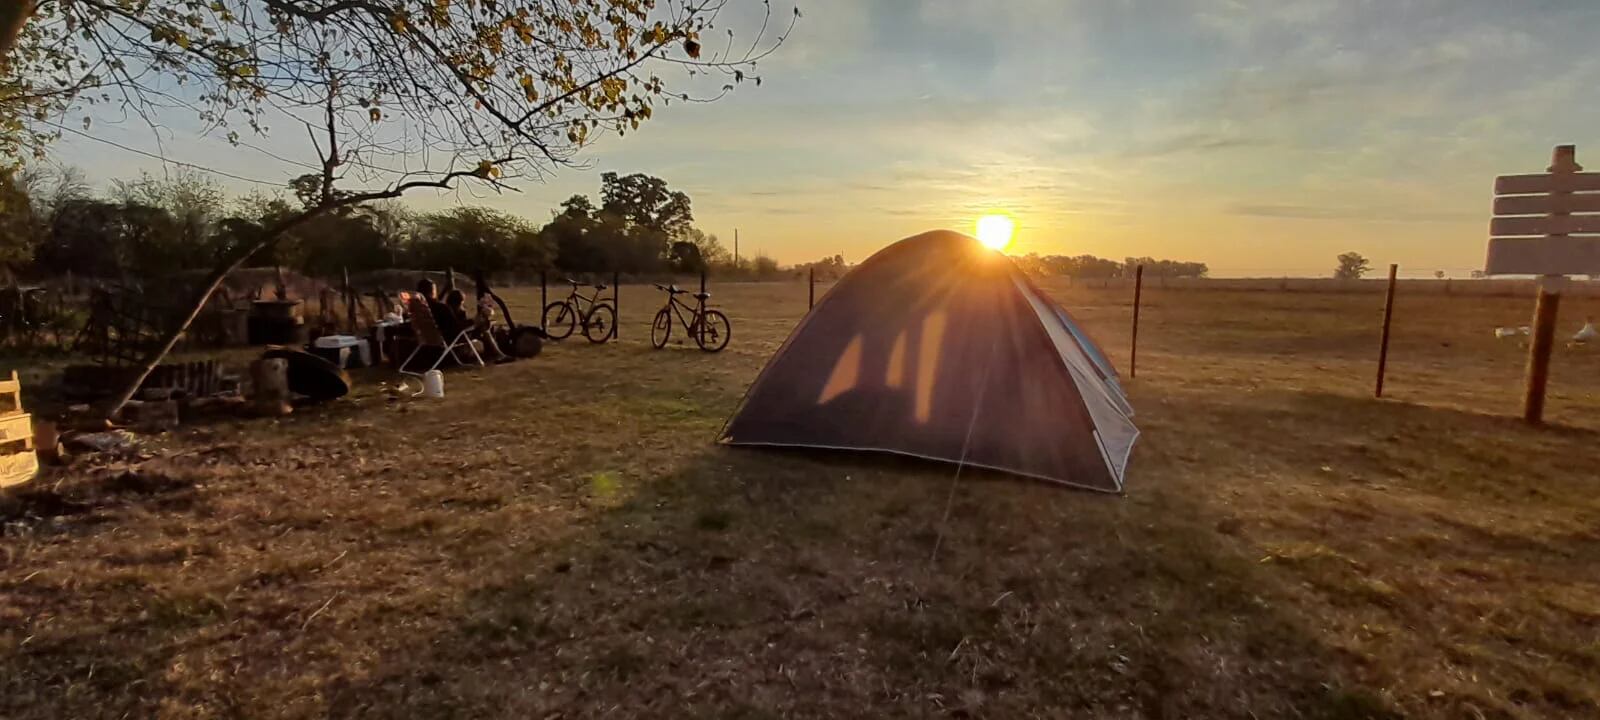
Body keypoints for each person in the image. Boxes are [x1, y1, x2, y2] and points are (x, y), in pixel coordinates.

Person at [443, 288, 509, 362]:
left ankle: (494, 352)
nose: (463, 305)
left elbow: (457, 325)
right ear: (460, 302)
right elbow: (458, 327)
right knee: (484, 328)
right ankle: (497, 354)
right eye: (462, 302)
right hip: (456, 337)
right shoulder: (449, 312)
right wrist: (474, 321)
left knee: (484, 326)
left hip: (451, 337)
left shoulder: (445, 310)